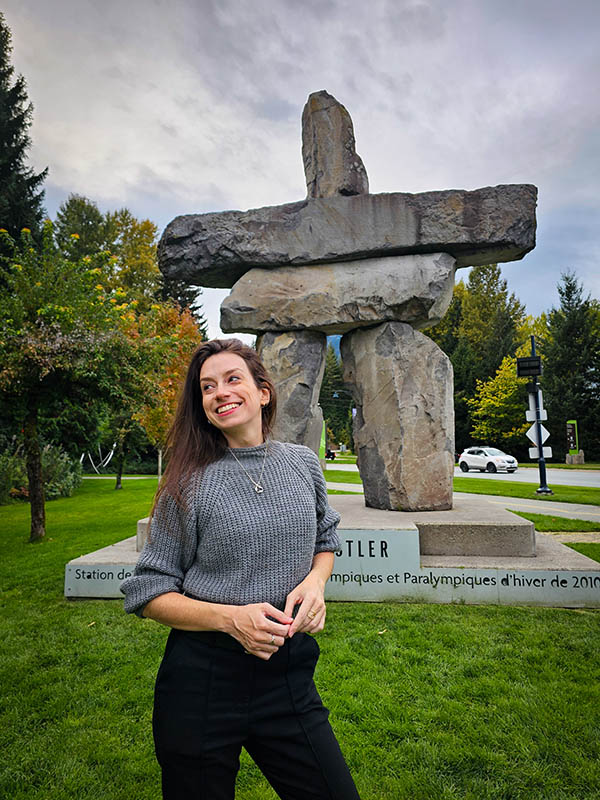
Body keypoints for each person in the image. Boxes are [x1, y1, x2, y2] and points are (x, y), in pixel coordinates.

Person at [121, 338, 360, 800]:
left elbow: (325, 538)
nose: (219, 392)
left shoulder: (303, 464)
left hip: (288, 678)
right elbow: (148, 592)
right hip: (202, 683)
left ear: (263, 392)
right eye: (207, 387)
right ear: (203, 405)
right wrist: (232, 619)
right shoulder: (187, 482)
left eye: (232, 379)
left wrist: (316, 584)